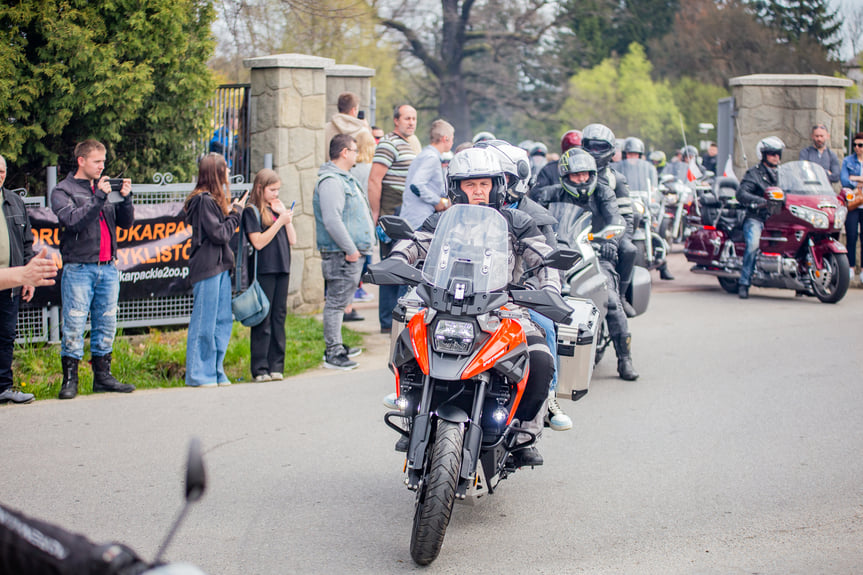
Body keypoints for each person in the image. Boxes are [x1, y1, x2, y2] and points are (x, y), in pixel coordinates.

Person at [390, 147, 559, 467]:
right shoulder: (441, 220)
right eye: (470, 185)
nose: (478, 191)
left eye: (484, 184)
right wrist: (398, 260)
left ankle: (524, 433)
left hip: (503, 307)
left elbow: (544, 257)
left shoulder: (517, 221)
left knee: (539, 356)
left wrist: (549, 285)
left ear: (496, 186)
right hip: (444, 304)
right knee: (408, 340)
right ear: (457, 188)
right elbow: (414, 243)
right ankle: (413, 411)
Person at [476, 139, 572, 432]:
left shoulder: (535, 216)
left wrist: (536, 290)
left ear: (514, 180)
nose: (490, 185)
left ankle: (549, 396)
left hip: (518, 294)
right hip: (473, 291)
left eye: (498, 179)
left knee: (546, 325)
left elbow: (547, 260)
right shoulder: (471, 210)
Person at [537, 147, 640, 381]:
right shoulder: (549, 194)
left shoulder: (603, 191)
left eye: (585, 174)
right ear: (565, 177)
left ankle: (625, 359)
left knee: (612, 302)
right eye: (576, 175)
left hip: (596, 253)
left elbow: (616, 218)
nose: (582, 180)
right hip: (560, 254)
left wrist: (610, 240)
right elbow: (533, 217)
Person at [51, 139, 135, 400]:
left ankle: (103, 377)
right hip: (79, 266)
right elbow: (73, 221)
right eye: (97, 161)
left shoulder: (103, 188)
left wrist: (126, 198)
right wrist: (100, 195)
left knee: (107, 321)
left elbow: (126, 223)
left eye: (104, 161)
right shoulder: (62, 190)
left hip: (108, 266)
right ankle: (69, 380)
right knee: (74, 322)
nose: (102, 166)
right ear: (81, 161)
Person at [183, 153, 247, 387]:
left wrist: (231, 212)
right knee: (204, 321)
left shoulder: (212, 200)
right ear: (217, 173)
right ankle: (199, 374)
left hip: (220, 266)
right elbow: (220, 234)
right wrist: (236, 213)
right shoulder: (203, 201)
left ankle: (216, 371)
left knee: (222, 320)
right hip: (207, 267)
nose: (229, 174)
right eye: (226, 170)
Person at [314, 134, 375, 370]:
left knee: (340, 302)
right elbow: (332, 219)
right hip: (341, 254)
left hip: (349, 253)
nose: (357, 155)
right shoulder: (331, 181)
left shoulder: (344, 178)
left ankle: (337, 344)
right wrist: (350, 250)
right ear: (344, 152)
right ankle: (333, 352)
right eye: (354, 150)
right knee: (336, 303)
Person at [582, 125, 646, 319]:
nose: (594, 151)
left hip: (606, 232)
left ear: (610, 149)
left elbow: (626, 215)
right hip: (576, 230)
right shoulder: (574, 172)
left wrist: (616, 239)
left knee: (629, 249)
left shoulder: (616, 179)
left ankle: (622, 296)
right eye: (591, 146)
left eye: (599, 147)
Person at [242, 169, 296, 382]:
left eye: (278, 190)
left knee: (278, 317)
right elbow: (258, 242)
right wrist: (279, 222)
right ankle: (260, 367)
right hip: (264, 268)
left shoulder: (278, 209)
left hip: (282, 267)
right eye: (272, 190)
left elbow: (292, 239)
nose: (276, 194)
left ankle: (277, 365)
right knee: (263, 318)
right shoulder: (252, 211)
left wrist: (286, 219)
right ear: (260, 188)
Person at [367, 104, 417, 334]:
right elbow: (375, 179)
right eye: (407, 118)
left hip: (402, 211)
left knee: (402, 265)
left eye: (414, 118)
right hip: (391, 212)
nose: (411, 122)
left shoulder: (408, 144)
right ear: (396, 120)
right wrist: (377, 213)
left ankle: (395, 319)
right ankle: (387, 321)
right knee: (392, 267)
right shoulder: (388, 144)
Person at [0, 156, 37, 404]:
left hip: (10, 284)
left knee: (5, 337)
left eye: (1, 170)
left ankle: (3, 387)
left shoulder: (13, 201)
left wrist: (28, 278)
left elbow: (26, 243)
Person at [736, 136, 785, 299]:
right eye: (772, 153)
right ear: (763, 155)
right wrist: (762, 202)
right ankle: (744, 283)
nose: (776, 157)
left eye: (778, 153)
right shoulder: (754, 173)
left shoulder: (783, 174)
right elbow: (741, 193)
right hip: (757, 217)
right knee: (752, 245)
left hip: (779, 218)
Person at [400, 119, 454, 230]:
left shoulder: (424, 155)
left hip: (412, 217)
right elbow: (416, 185)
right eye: (452, 138)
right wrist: (437, 201)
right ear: (446, 138)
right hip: (419, 220)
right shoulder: (431, 158)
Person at [530, 130, 582, 198]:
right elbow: (537, 194)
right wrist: (558, 190)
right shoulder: (549, 169)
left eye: (580, 150)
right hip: (554, 207)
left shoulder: (589, 170)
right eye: (573, 149)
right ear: (565, 149)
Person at [840, 132, 863, 281]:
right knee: (851, 236)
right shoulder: (848, 161)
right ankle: (850, 268)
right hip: (854, 204)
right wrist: (858, 182)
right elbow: (844, 180)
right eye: (855, 144)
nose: (857, 147)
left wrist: (854, 177)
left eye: (860, 145)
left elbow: (849, 178)